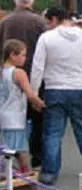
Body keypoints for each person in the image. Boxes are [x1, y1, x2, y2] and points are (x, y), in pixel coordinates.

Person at [31, 8, 82, 185]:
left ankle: (49, 173)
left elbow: (38, 67)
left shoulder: (47, 38)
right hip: (79, 88)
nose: (47, 26)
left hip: (54, 89)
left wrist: (34, 94)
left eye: (48, 22)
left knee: (53, 133)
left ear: (55, 19)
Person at [0, 0, 47, 167]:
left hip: (6, 75)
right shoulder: (39, 22)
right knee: (37, 121)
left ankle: (9, 166)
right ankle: (34, 160)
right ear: (31, 1)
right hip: (34, 77)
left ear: (16, 1)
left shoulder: (5, 22)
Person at [0, 40, 45, 172]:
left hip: (2, 116)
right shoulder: (19, 73)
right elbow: (30, 94)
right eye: (23, 55)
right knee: (21, 151)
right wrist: (40, 104)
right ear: (13, 55)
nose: (25, 59)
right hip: (14, 119)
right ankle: (26, 179)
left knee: (4, 151)